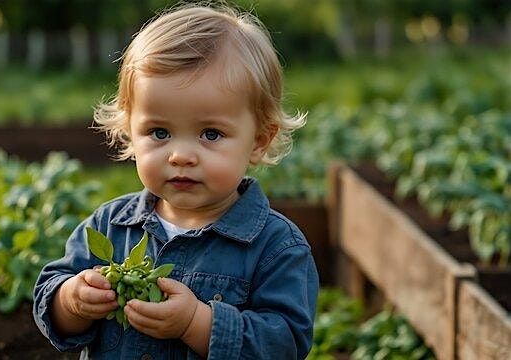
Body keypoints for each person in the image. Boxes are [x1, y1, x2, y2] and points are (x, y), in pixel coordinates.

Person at [33, 3, 319, 359]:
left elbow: (285, 344)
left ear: (259, 140)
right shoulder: (109, 227)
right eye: (159, 132)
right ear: (130, 134)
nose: (180, 155)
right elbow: (49, 299)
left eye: (210, 134)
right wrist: (72, 301)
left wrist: (196, 323)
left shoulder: (276, 248)